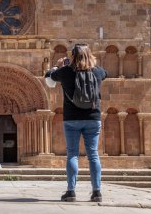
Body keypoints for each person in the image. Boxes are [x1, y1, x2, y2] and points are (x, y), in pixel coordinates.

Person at [45, 44, 107, 202]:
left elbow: (48, 77)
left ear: (72, 56)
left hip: (72, 119)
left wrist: (57, 66)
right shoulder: (97, 71)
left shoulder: (66, 71)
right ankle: (97, 192)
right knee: (93, 155)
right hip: (93, 118)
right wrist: (92, 63)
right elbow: (106, 73)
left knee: (72, 155)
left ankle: (71, 191)